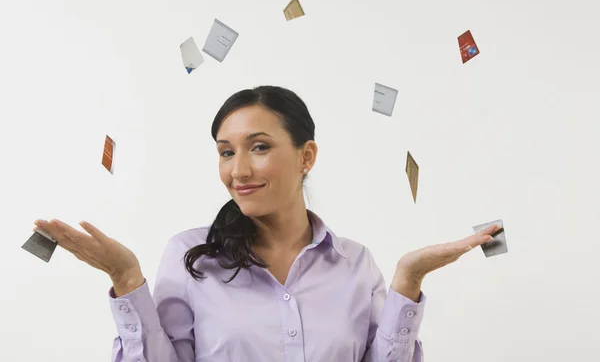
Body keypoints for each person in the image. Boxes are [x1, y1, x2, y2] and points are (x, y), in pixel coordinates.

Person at [33, 85, 501, 362]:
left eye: (258, 147)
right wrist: (126, 280)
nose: (238, 171)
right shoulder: (190, 257)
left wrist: (408, 280)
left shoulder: (356, 263)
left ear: (307, 156)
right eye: (225, 152)